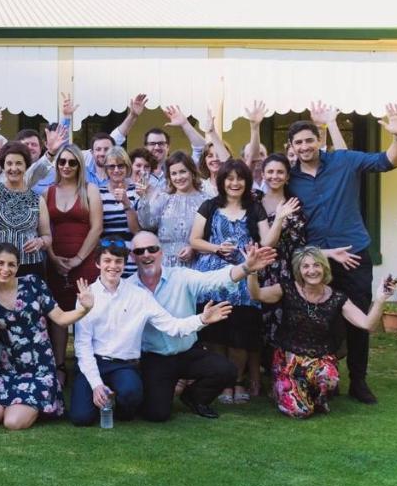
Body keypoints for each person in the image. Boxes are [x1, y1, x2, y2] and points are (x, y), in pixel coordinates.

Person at [285, 104, 397, 405]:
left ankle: (359, 380)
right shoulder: (290, 178)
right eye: (298, 142)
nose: (304, 146)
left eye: (308, 140)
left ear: (319, 139)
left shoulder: (344, 161)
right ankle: (325, 375)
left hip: (353, 255)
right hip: (317, 259)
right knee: (318, 320)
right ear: (291, 147)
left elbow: (387, 161)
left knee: (358, 319)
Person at [70, 240, 232, 427]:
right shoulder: (87, 296)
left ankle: (121, 406)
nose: (113, 266)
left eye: (118, 261)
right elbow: (82, 346)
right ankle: (99, 395)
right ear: (98, 263)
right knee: (81, 418)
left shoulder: (139, 295)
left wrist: (202, 319)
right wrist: (96, 384)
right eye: (107, 261)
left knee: (131, 396)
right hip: (94, 362)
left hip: (124, 365)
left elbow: (172, 326)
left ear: (124, 263)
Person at [128, 231, 277, 421]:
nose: (146, 254)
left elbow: (216, 279)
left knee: (227, 370)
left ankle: (194, 397)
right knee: (156, 415)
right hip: (155, 358)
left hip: (187, 351)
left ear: (161, 252)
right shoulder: (128, 287)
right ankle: (154, 390)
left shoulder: (181, 276)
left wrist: (246, 267)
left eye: (152, 249)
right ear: (133, 257)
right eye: (140, 251)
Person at [246, 248, 396, 418]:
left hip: (320, 360)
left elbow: (367, 324)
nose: (312, 270)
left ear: (324, 268)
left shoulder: (338, 298)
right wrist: (252, 271)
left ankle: (309, 393)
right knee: (300, 411)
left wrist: (381, 298)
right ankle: (286, 389)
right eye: (306, 266)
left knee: (329, 377)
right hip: (289, 360)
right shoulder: (287, 288)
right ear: (299, 270)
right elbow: (256, 294)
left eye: (317, 265)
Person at [0, 243, 93, 430]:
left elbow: (61, 319)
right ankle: (18, 403)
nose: (5, 269)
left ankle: (35, 403)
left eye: (11, 264)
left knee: (12, 422)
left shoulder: (33, 283)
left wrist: (84, 309)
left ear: (17, 267)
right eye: (0, 263)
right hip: (8, 370)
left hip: (39, 371)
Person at [190, 158, 269, 404]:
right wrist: (215, 248)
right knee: (216, 335)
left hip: (245, 278)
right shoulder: (209, 206)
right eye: (229, 178)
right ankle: (223, 383)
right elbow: (194, 240)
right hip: (213, 278)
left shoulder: (256, 208)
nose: (235, 183)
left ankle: (236, 380)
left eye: (240, 178)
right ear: (222, 181)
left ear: (246, 182)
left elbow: (266, 240)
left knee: (240, 336)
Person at [44, 142, 102, 385]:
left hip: (85, 260)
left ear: (80, 165)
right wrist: (54, 259)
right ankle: (59, 365)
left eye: (72, 162)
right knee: (59, 313)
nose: (66, 166)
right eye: (62, 162)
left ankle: (85, 364)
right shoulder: (48, 192)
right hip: (55, 260)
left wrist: (78, 258)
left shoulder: (90, 190)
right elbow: (43, 228)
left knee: (85, 311)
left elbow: (97, 227)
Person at [0, 141, 51, 281]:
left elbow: (47, 236)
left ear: (26, 166)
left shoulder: (37, 200)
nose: (14, 168)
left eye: (18, 163)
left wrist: (40, 242)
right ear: (3, 167)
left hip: (30, 266)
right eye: (9, 164)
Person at [258, 153, 309, 345]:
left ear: (288, 176)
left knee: (284, 316)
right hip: (260, 266)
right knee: (259, 316)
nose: (275, 176)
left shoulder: (295, 205)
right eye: (270, 171)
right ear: (262, 174)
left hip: (286, 268)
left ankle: (281, 365)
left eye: (280, 172)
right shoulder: (254, 200)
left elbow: (300, 243)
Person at [136, 151, 209, 266]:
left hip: (196, 265)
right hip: (166, 266)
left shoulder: (206, 201)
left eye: (183, 172)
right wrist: (143, 199)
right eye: (174, 174)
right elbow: (147, 225)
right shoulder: (163, 198)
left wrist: (194, 248)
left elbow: (212, 235)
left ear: (192, 172)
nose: (178, 177)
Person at [97, 146, 141, 277]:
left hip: (132, 258)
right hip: (108, 259)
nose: (116, 170)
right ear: (106, 169)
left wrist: (126, 203)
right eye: (111, 166)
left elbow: (137, 230)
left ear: (127, 167)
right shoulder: (99, 193)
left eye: (120, 166)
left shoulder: (137, 191)